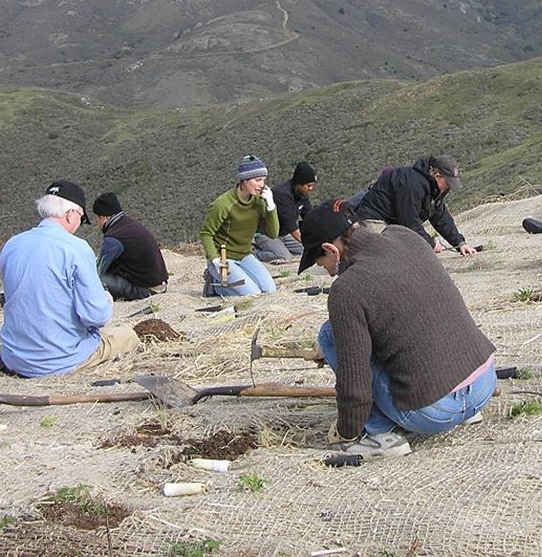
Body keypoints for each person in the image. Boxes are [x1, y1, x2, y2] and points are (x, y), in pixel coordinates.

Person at [298, 199, 496, 458]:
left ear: (331, 250)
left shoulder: (346, 290)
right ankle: (464, 409)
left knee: (329, 334)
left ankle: (381, 434)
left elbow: (355, 382)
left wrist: (347, 432)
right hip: (483, 383)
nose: (325, 270)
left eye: (319, 261)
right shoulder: (406, 235)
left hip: (436, 412)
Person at [0, 180, 140, 382]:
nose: (79, 225)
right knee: (127, 336)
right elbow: (95, 317)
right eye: (81, 218)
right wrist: (105, 302)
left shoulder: (12, 245)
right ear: (70, 214)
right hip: (61, 360)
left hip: (17, 359)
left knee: (22, 343)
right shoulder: (77, 248)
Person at [350, 155, 478, 255]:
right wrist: (430, 243)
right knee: (388, 254)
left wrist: (460, 243)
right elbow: (408, 221)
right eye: (449, 182)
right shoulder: (413, 185)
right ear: (437, 175)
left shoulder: (435, 189)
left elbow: (441, 217)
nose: (450, 187)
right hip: (374, 218)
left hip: (392, 222)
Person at [199, 155, 279, 295]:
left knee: (270, 290)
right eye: (257, 180)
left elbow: (273, 233)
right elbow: (206, 234)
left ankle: (228, 282)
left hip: (245, 255)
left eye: (263, 180)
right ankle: (216, 285)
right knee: (252, 294)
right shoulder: (223, 204)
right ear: (244, 180)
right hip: (224, 258)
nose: (262, 185)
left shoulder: (259, 201)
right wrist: (215, 260)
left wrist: (271, 206)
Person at [92, 192, 169, 299]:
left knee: (94, 280)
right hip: (159, 284)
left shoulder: (114, 237)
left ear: (104, 217)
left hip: (146, 289)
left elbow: (98, 270)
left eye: (96, 217)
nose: (96, 222)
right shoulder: (130, 225)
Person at [254, 161, 317, 263]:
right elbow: (291, 226)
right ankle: (255, 254)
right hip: (266, 233)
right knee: (283, 257)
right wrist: (308, 243)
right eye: (308, 185)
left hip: (283, 233)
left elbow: (309, 216)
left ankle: (279, 248)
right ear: (299, 184)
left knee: (308, 252)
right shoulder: (282, 194)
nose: (311, 189)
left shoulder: (302, 195)